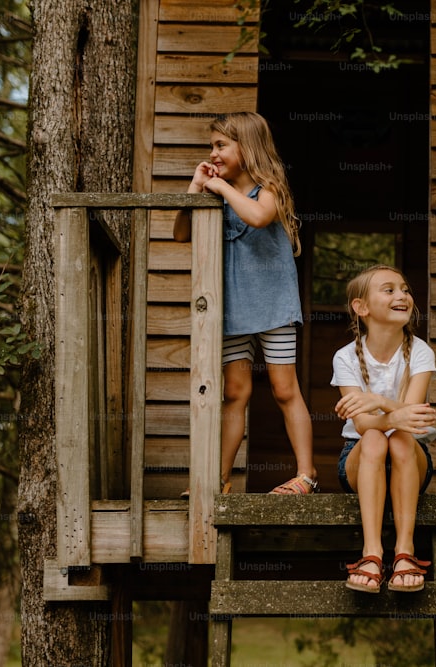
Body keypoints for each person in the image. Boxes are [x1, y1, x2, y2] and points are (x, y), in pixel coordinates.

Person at [174, 111, 316, 495]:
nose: (214, 153)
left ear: (247, 147)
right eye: (212, 146)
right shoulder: (216, 194)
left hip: (273, 308)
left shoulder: (268, 187)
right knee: (235, 393)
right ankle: (220, 480)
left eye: (221, 145)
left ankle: (306, 474)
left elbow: (257, 216)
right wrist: (196, 185)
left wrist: (221, 190)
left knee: (285, 389)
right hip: (233, 310)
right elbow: (180, 233)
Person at [331, 265, 436, 593]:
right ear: (361, 308)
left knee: (403, 440)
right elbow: (362, 425)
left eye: (404, 289)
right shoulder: (346, 357)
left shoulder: (420, 352)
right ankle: (372, 553)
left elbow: (416, 416)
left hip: (410, 458)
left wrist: (377, 399)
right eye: (389, 290)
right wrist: (393, 417)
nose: (402, 295)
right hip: (361, 456)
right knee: (376, 437)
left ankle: (405, 551)